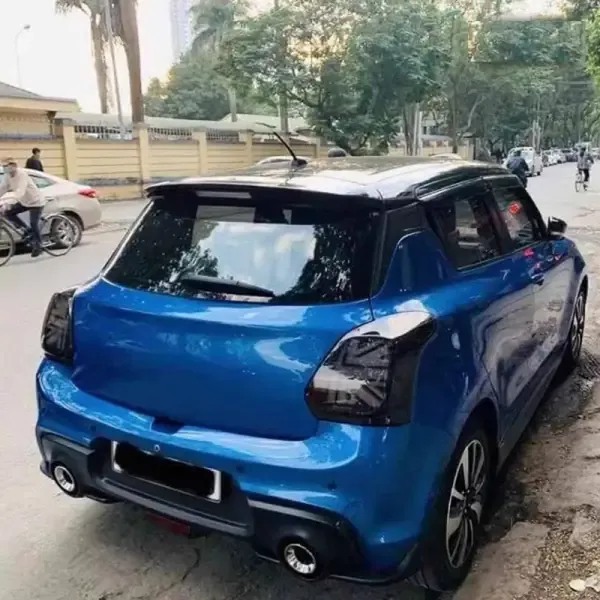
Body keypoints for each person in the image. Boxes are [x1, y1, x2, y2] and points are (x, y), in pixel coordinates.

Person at [0, 158, 46, 257]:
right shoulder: (8, 176)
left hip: (35, 202)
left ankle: (39, 245)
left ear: (13, 166)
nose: (4, 168)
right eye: (3, 166)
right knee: (8, 213)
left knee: (33, 223)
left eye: (6, 166)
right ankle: (26, 230)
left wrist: (9, 203)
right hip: (24, 202)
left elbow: (20, 192)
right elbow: (3, 188)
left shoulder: (22, 175)